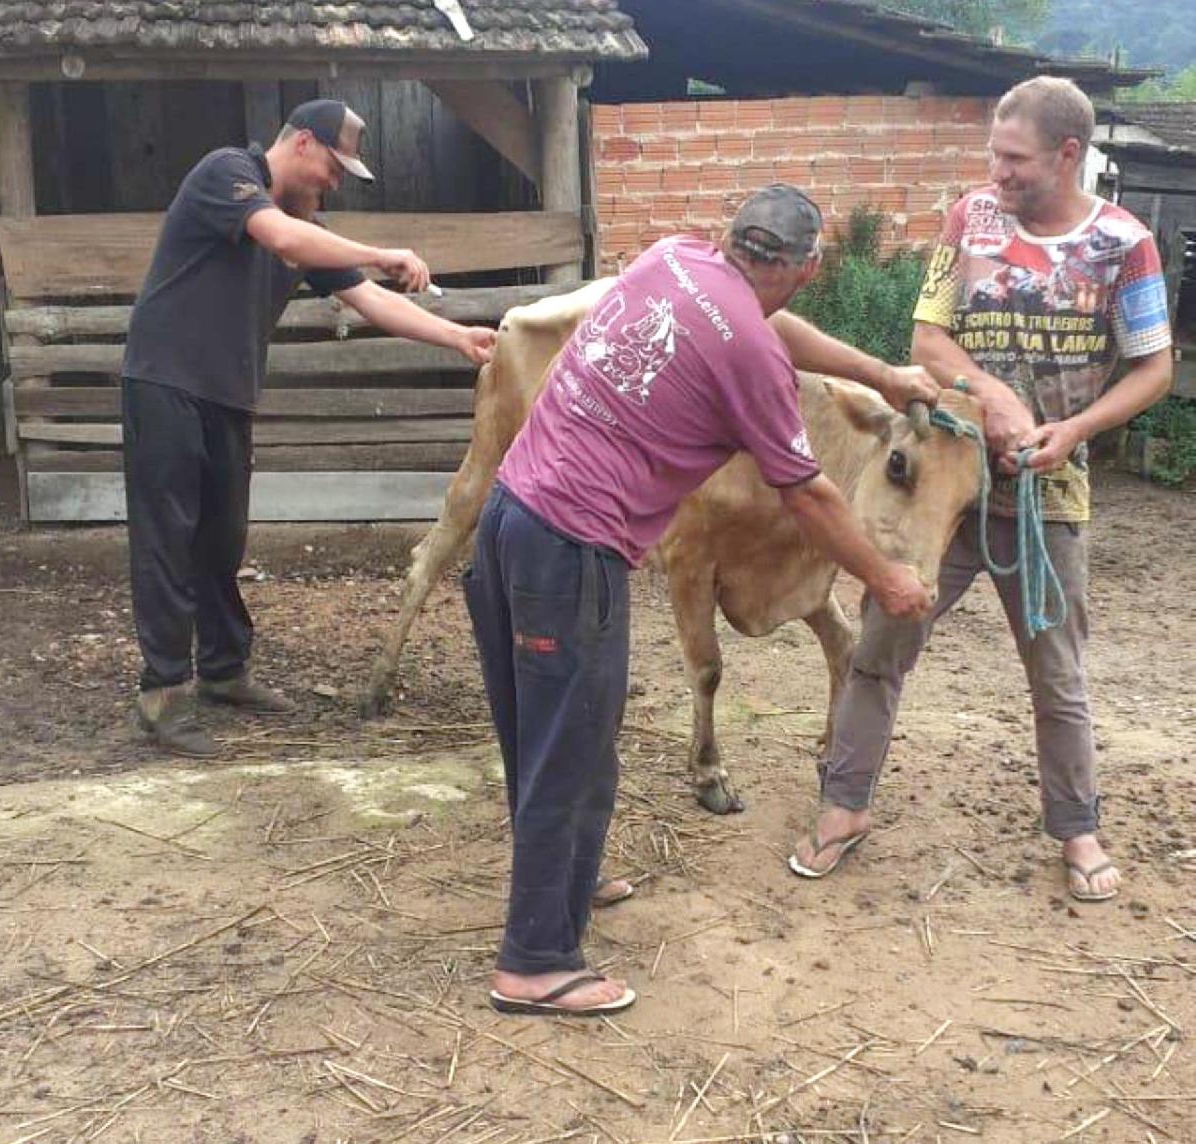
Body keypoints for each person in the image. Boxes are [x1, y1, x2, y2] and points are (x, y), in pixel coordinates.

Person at [465, 184, 941, 1017]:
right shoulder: (751, 359)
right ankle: (534, 961)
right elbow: (814, 498)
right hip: (571, 549)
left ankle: (566, 882)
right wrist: (890, 579)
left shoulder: (674, 258)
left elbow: (764, 328)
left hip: (509, 519)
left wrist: (880, 375)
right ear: (807, 268)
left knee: (553, 733)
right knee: (567, 743)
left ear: (732, 240)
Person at [792, 77, 1173, 902]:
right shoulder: (971, 222)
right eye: (993, 156)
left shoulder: (1124, 243)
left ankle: (1076, 827)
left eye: (1015, 159)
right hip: (939, 486)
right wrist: (992, 395)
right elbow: (928, 338)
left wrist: (1074, 431)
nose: (996, 173)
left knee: (1057, 672)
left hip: (1044, 494)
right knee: (881, 644)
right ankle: (843, 805)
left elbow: (1155, 368)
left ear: (1068, 154)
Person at [122, 99, 496, 757]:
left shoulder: (303, 224)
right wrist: (381, 249)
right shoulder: (227, 175)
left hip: (227, 395)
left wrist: (456, 337)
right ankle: (163, 695)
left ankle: (223, 670)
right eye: (333, 164)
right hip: (165, 383)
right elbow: (282, 239)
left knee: (220, 540)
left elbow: (370, 299)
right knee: (167, 539)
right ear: (299, 143)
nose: (336, 180)